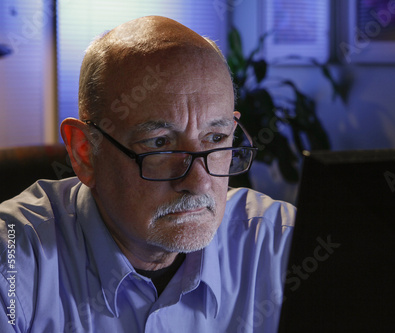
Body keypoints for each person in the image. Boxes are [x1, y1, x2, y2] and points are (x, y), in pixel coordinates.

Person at [0, 16, 295, 332]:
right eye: (160, 144)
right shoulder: (15, 261)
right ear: (84, 151)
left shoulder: (279, 243)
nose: (197, 183)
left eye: (216, 138)